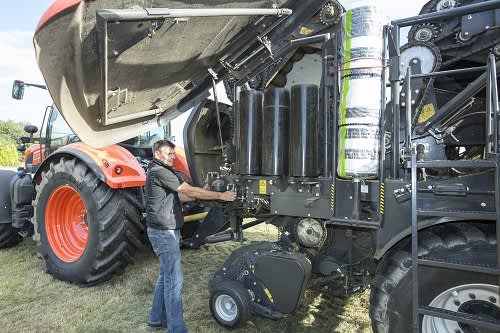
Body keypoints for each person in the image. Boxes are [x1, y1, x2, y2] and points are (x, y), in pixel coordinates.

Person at [145, 139, 236, 332]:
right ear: (157, 154)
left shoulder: (162, 172)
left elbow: (183, 196)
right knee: (174, 282)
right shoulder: (159, 171)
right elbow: (188, 190)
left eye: (172, 153)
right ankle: (176, 329)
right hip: (163, 232)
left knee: (165, 276)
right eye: (168, 153)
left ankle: (156, 319)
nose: (172, 156)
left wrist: (205, 192)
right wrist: (220, 196)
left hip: (166, 230)